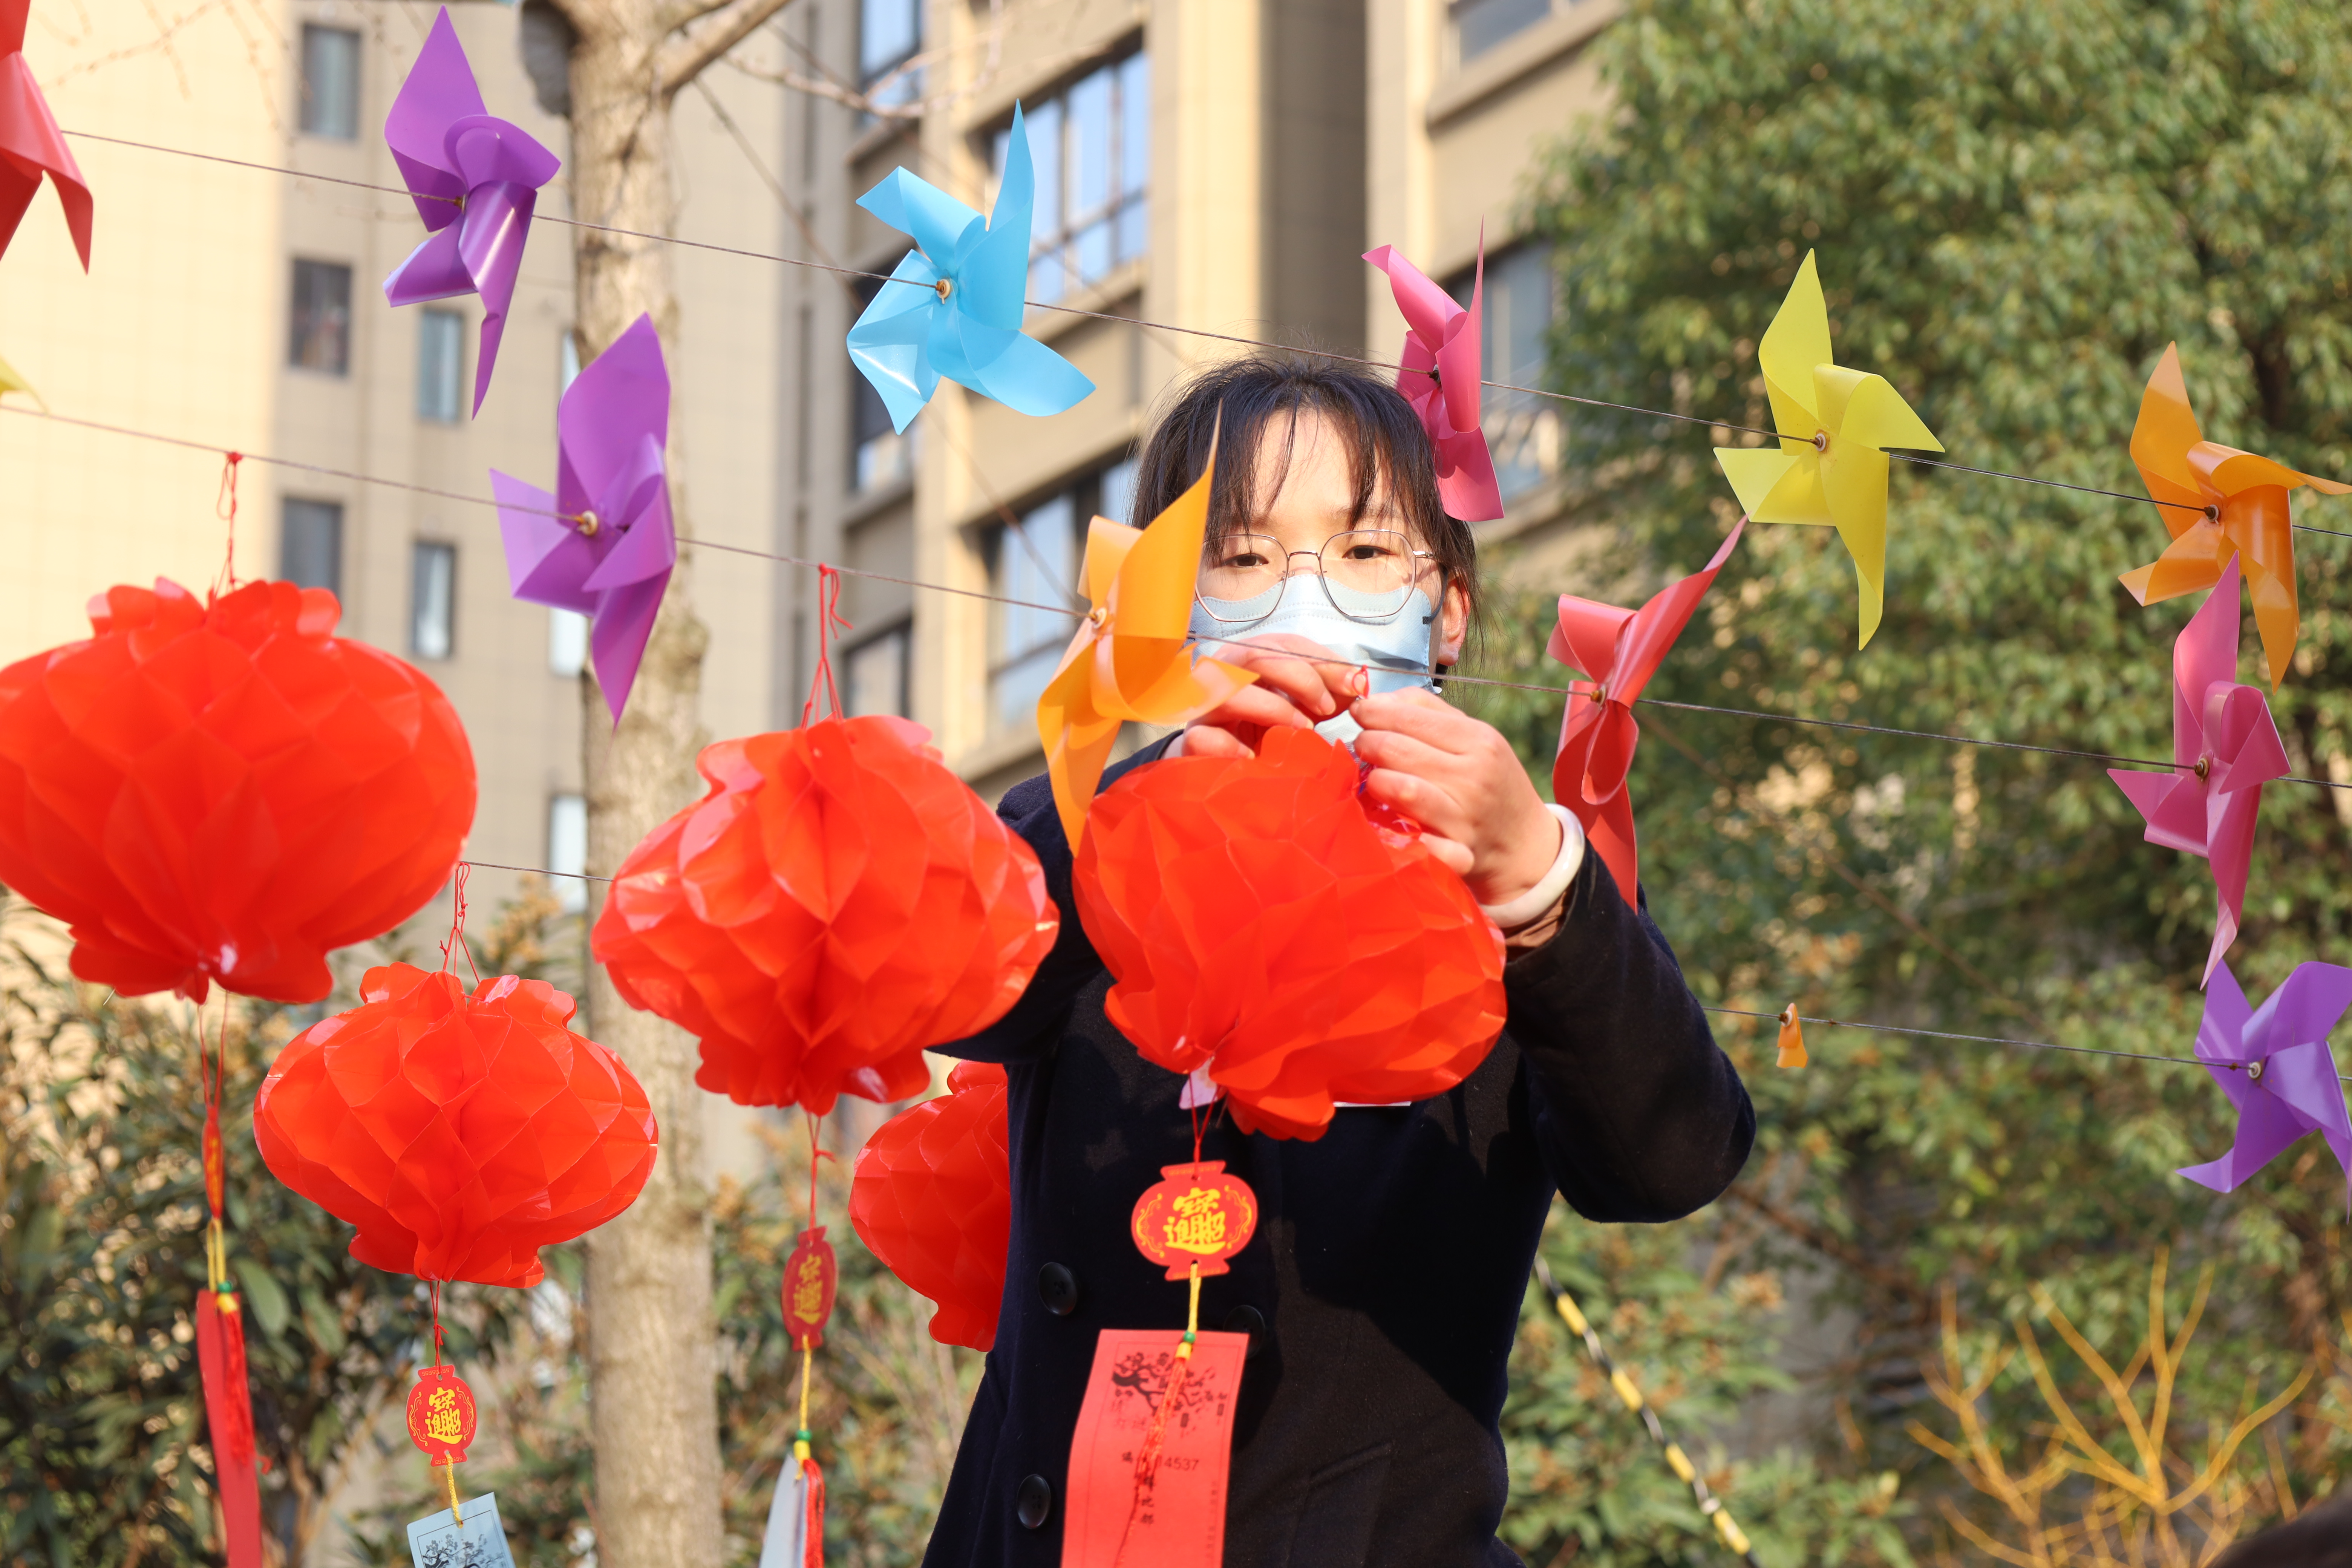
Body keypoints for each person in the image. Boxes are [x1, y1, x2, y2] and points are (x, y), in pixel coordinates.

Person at [927, 355, 1755, 1567]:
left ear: (1451, 609)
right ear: (1164, 604)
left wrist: (1537, 877)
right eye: (1243, 557)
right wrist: (1140, 806)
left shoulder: (1514, 882)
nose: (1301, 593)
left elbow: (1671, 1159)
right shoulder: (1091, 831)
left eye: (1367, 553)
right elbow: (958, 994)